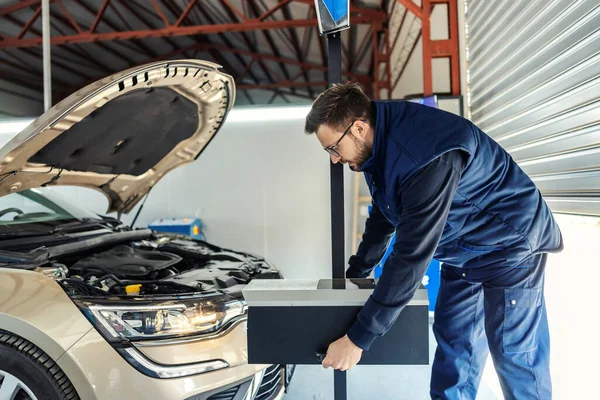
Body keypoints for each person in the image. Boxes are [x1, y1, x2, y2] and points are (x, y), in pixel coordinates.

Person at [303, 82, 563, 400]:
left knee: (514, 356)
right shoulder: (377, 147)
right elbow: (384, 215)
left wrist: (359, 338)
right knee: (454, 351)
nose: (333, 159)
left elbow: (410, 257)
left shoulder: (422, 156)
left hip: (510, 248)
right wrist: (354, 276)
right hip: (464, 252)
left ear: (358, 128)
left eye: (333, 148)